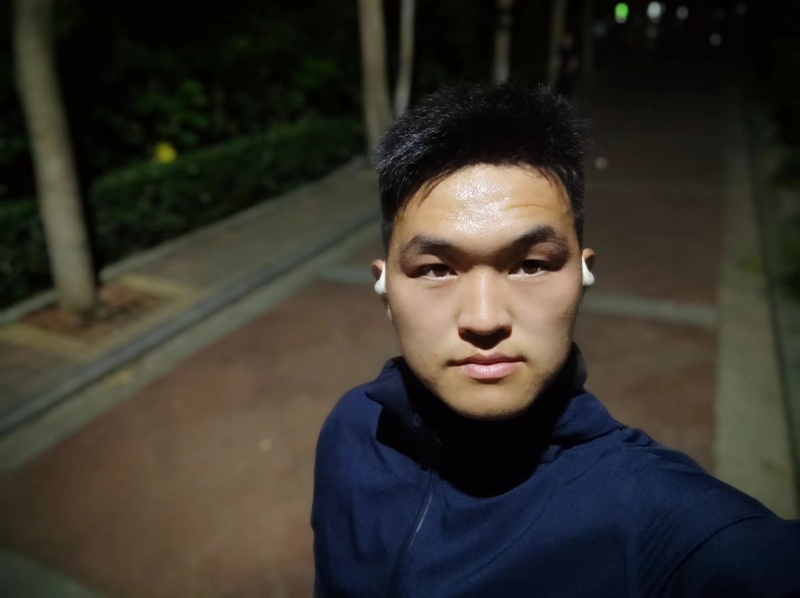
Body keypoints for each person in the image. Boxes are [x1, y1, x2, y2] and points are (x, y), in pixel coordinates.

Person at [311, 83, 800, 597]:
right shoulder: (352, 430)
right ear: (385, 287)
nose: (484, 319)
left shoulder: (656, 518)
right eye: (436, 269)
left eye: (530, 265)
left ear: (583, 276)